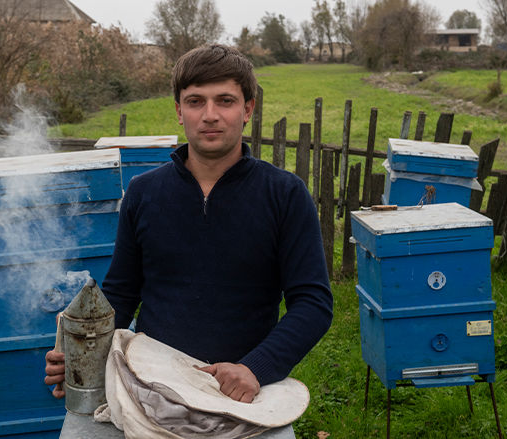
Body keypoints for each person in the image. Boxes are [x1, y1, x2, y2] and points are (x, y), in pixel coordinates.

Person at [45, 44, 332, 406]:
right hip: (152, 383)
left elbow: (313, 303)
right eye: (196, 101)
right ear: (179, 111)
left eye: (224, 101)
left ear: (248, 109)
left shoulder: (285, 194)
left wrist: (256, 368)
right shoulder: (143, 192)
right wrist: (83, 354)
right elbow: (120, 294)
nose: (209, 115)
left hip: (244, 391)